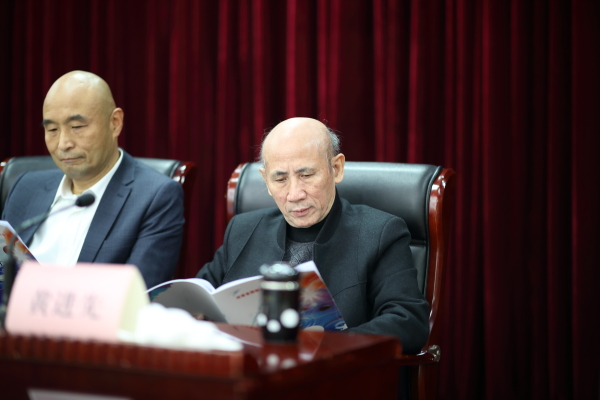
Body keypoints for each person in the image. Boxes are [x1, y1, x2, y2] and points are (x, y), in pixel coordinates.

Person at [197, 117, 429, 354]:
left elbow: (408, 322)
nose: (294, 194)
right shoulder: (243, 229)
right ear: (265, 180)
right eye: (280, 179)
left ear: (336, 168)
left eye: (306, 175)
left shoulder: (379, 232)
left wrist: (324, 348)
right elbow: (199, 298)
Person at [1, 71, 184, 289]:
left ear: (115, 123)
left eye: (77, 127)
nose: (63, 144)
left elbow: (135, 296)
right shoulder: (25, 187)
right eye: (52, 129)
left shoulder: (155, 197)